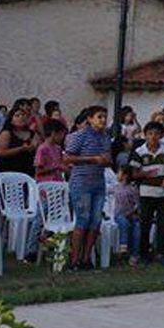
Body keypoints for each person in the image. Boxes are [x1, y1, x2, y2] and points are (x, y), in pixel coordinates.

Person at [63, 106, 112, 270]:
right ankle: (74, 259)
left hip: (98, 182)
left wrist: (105, 160)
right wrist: (92, 159)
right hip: (81, 183)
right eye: (99, 117)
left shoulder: (105, 136)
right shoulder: (80, 136)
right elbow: (67, 157)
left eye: (105, 117)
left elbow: (107, 157)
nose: (103, 120)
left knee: (95, 221)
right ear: (90, 119)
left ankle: (86, 258)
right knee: (82, 220)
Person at [129, 121, 164, 265]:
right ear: (145, 135)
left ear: (161, 135)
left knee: (162, 224)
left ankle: (161, 253)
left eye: (156, 134)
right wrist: (145, 174)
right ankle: (144, 254)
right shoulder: (139, 152)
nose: (153, 137)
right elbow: (134, 173)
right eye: (150, 134)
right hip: (147, 192)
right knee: (145, 224)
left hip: (163, 193)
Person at [110, 160, 141, 267]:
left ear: (125, 175)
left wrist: (132, 213)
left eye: (119, 172)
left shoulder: (132, 189)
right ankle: (124, 246)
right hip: (119, 214)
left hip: (131, 214)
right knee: (123, 222)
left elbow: (137, 204)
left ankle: (134, 254)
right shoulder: (115, 188)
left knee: (136, 227)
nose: (117, 175)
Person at [0, 107, 38, 176]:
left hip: (27, 170)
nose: (21, 117)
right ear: (11, 120)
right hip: (8, 169)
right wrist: (21, 149)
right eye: (17, 116)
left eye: (23, 115)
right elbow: (1, 152)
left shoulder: (32, 133)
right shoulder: (7, 133)